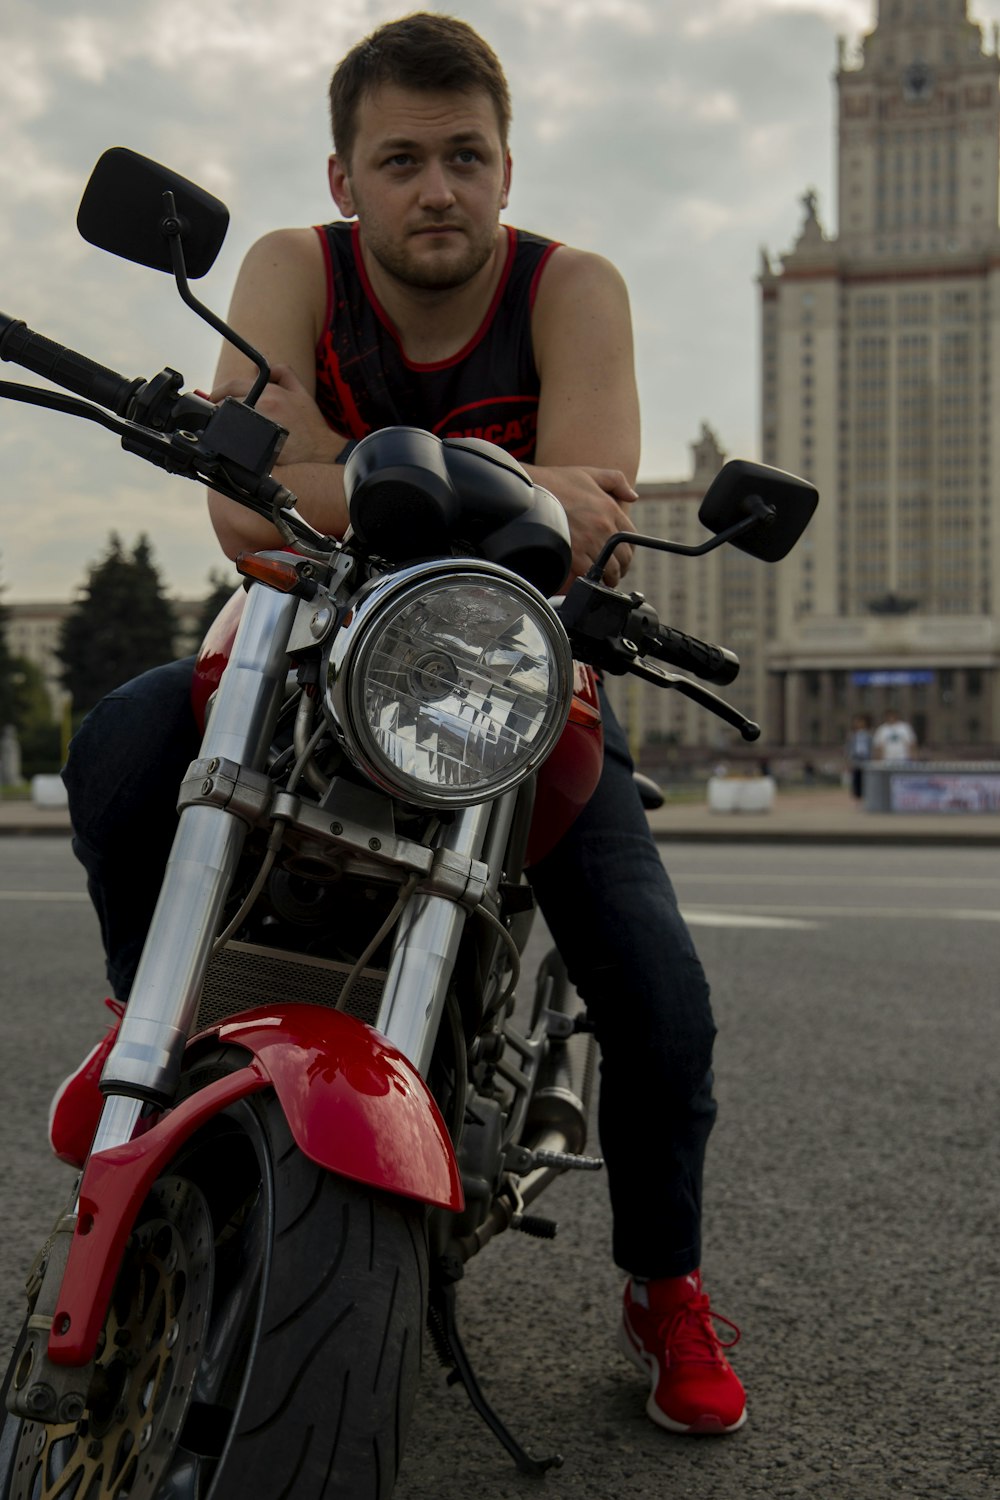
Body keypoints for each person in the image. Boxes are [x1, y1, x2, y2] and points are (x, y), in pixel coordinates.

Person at [56, 14, 745, 1436]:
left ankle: (664, 1281)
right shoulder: (292, 267)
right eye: (402, 159)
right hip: (296, 660)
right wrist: (507, 483)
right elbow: (241, 508)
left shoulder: (574, 286)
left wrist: (339, 460)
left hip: (512, 690)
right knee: (121, 745)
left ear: (506, 168)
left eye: (466, 157)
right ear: (346, 173)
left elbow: (602, 522)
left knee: (663, 1002)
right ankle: (152, 1012)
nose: (437, 187)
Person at [845, 713, 873, 799]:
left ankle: (867, 796)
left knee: (866, 778)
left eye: (861, 722)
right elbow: (849, 748)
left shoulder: (869, 735)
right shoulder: (852, 736)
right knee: (856, 779)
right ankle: (857, 797)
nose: (859, 724)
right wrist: (848, 760)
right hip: (856, 759)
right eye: (857, 722)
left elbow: (872, 747)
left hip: (866, 759)